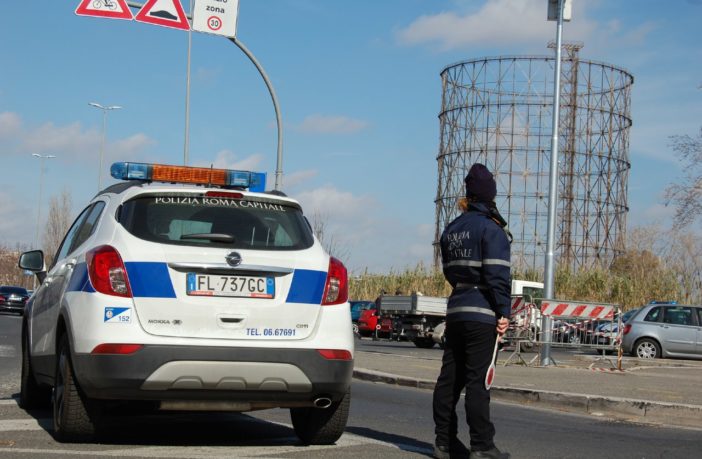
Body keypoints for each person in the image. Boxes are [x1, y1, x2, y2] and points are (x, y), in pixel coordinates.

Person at [432, 163, 512, 459]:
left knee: (449, 381)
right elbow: (497, 276)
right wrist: (503, 312)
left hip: (456, 310)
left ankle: (444, 442)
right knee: (478, 382)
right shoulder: (492, 230)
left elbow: (450, 273)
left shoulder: (451, 230)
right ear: (490, 195)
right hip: (482, 314)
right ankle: (482, 446)